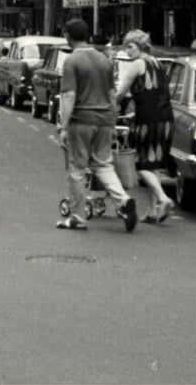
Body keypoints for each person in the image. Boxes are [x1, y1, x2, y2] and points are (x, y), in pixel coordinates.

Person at [55, 18, 137, 232]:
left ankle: (77, 217)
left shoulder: (71, 61)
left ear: (67, 36)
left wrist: (63, 126)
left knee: (77, 168)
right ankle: (123, 201)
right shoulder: (104, 60)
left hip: (81, 121)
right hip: (105, 120)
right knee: (103, 164)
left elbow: (69, 95)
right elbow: (112, 94)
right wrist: (112, 119)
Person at [114, 30, 175, 224]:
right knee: (153, 164)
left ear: (140, 46)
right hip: (165, 118)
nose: (127, 51)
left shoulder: (136, 65)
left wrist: (109, 108)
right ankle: (151, 211)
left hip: (148, 120)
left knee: (140, 164)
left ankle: (164, 199)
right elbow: (156, 93)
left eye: (130, 46)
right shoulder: (157, 63)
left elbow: (120, 93)